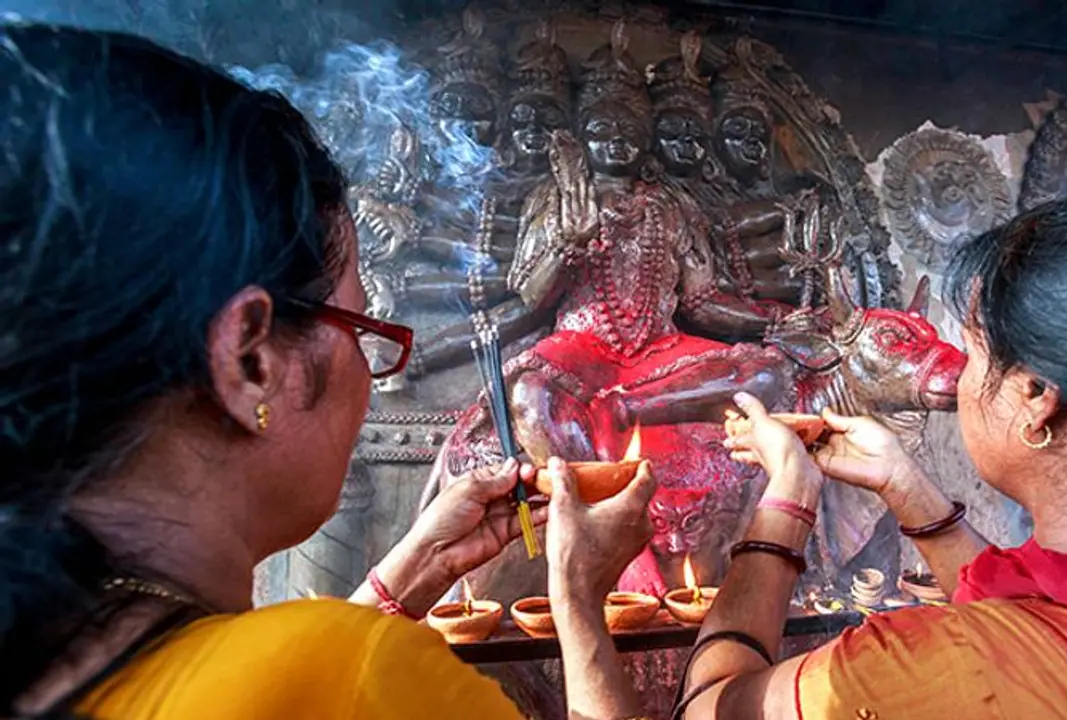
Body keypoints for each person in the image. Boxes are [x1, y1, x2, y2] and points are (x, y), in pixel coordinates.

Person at [0, 22, 658, 719]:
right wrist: (579, 596)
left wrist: (414, 570)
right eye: (360, 328)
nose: (369, 369)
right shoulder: (353, 677)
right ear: (251, 361)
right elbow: (327, 684)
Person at [552, 178, 1067, 719]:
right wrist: (912, 493)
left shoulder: (938, 669)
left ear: (1036, 397)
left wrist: (582, 597)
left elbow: (713, 706)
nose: (960, 381)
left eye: (974, 352)